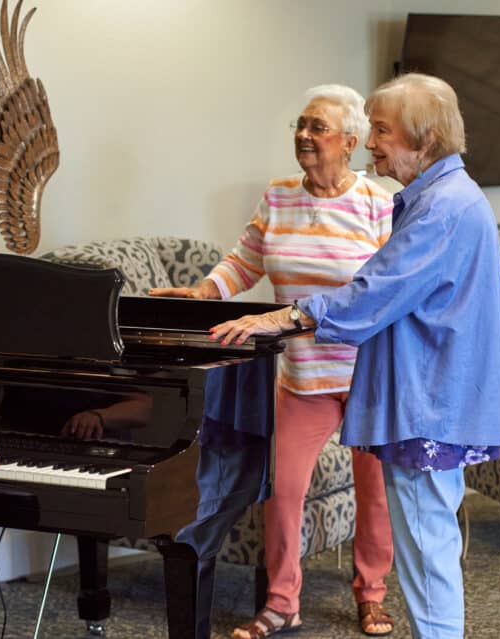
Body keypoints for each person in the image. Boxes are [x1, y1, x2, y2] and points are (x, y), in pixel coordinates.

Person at [209, 73, 500, 639]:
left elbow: (374, 290)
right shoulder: (435, 196)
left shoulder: (441, 208)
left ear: (422, 141)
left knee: (426, 551)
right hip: (408, 394)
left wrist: (285, 315)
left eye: (381, 131)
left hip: (426, 400)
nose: (372, 142)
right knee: (431, 548)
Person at [151, 84, 397, 638]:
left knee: (374, 492)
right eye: (301, 125)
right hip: (303, 376)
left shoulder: (378, 203)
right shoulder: (280, 195)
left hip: (366, 374)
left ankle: (372, 594)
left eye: (319, 128)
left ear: (351, 142)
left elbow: (386, 289)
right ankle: (283, 601)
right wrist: (208, 291)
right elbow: (246, 258)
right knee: (283, 493)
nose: (305, 136)